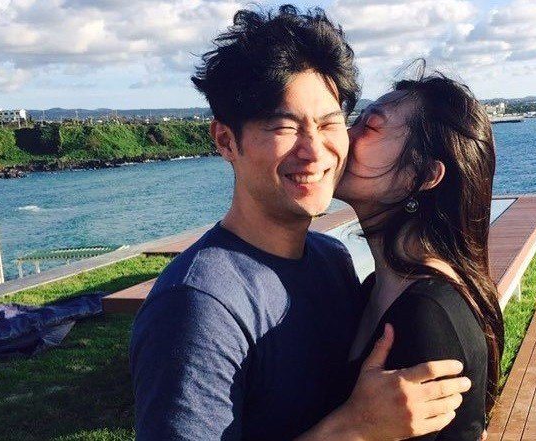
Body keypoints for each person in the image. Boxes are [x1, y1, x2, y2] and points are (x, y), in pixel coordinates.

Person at [130, 6, 471, 440]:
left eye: (329, 123)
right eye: (284, 126)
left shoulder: (332, 260)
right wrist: (353, 428)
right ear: (226, 141)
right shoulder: (199, 306)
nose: (314, 151)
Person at [334, 69, 505, 440]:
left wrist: (353, 424)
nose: (341, 136)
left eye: (369, 127)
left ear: (423, 175)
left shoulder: (427, 317)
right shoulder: (379, 287)